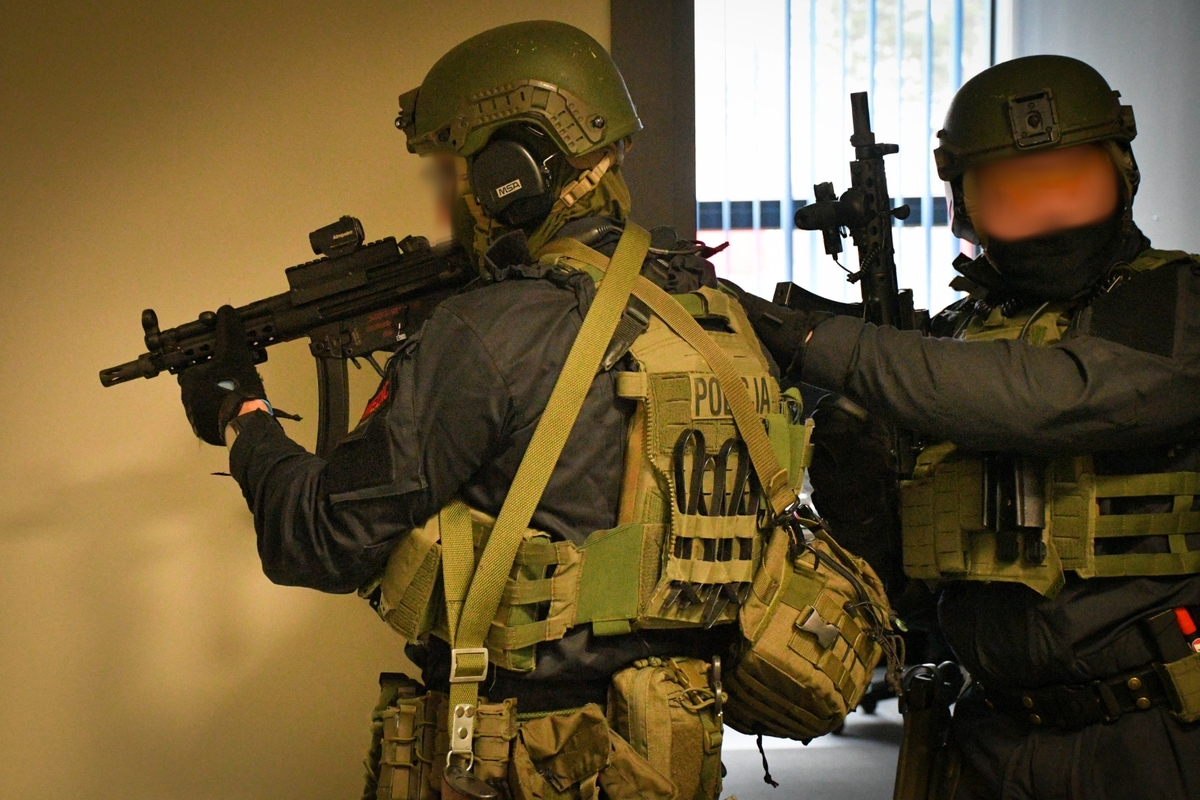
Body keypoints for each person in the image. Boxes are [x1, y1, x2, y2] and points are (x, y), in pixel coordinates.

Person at [174, 20, 813, 800]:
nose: (453, 198)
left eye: (457, 172)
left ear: (514, 170)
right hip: (670, 751)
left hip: (527, 761)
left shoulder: (485, 331)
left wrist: (242, 414)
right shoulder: (708, 311)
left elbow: (319, 540)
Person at [735, 54, 1200, 798]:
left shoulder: (1177, 303)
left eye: (1070, 185)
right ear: (967, 207)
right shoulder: (955, 341)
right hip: (989, 735)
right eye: (1013, 195)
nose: (1047, 215)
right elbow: (911, 592)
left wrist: (823, 343)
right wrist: (855, 481)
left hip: (1148, 735)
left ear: (1124, 175)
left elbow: (1047, 396)